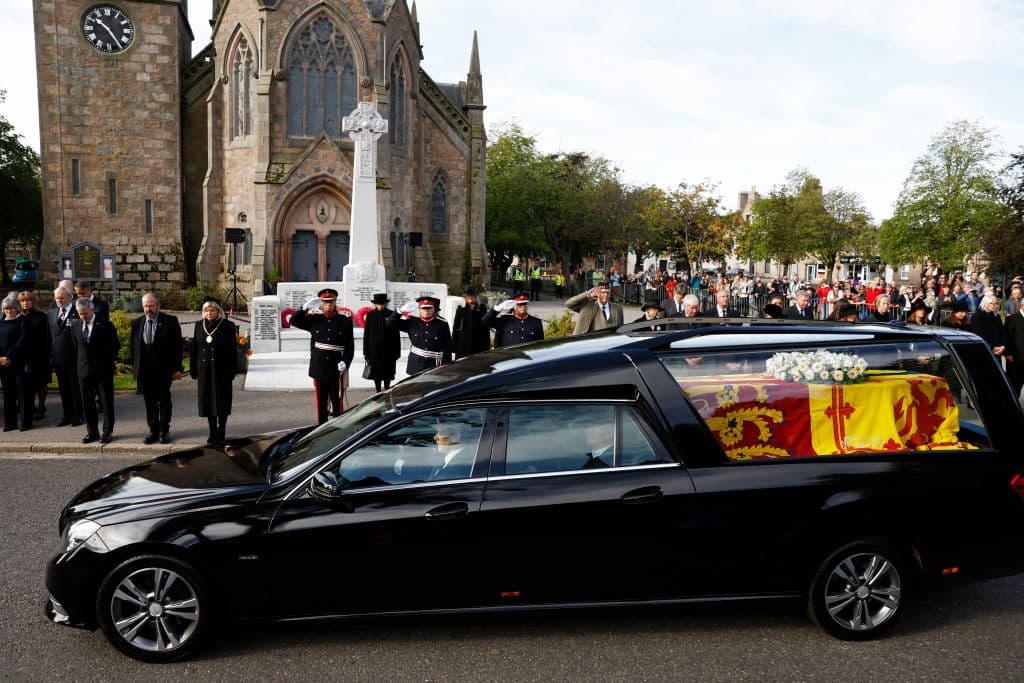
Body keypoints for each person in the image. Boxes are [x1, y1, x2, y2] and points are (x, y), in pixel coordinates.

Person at [290, 288, 355, 424]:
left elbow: (350, 345)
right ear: (321, 303)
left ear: (335, 302)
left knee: (337, 401)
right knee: (321, 401)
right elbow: (293, 321)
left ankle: (338, 426)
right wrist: (304, 308)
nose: (328, 305)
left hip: (336, 366)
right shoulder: (315, 319)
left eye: (331, 301)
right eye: (325, 302)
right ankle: (321, 427)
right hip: (319, 366)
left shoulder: (344, 320)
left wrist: (346, 361)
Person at [130, 293, 183, 444]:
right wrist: (135, 369)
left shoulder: (170, 321)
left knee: (164, 400)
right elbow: (134, 348)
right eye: (145, 306)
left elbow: (178, 347)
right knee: (149, 401)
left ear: (158, 305)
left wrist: (177, 368)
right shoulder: (137, 322)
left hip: (163, 370)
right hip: (145, 371)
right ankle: (153, 430)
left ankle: (164, 431)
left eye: (151, 306)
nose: (148, 309)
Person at [189, 298, 237, 442]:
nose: (209, 313)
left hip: (222, 370)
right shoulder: (199, 325)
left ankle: (221, 429)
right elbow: (194, 349)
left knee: (222, 400)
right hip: (205, 370)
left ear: (218, 311)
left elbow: (232, 351)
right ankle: (212, 430)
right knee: (207, 400)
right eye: (206, 311)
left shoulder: (228, 326)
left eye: (212, 310)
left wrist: (232, 371)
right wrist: (193, 369)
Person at [71, 298, 119, 443]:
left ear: (93, 310)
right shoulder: (75, 325)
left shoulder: (106, 325)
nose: (83, 317)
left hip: (102, 370)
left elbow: (114, 347)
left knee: (106, 402)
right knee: (88, 403)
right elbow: (76, 346)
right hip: (84, 370)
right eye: (80, 314)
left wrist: (103, 360)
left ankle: (107, 431)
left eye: (85, 313)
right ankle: (92, 432)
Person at [48, 286, 84, 426]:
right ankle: (66, 415)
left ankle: (78, 415)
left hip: (73, 358)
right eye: (57, 298)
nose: (59, 300)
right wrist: (49, 354)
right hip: (58, 358)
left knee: (75, 388)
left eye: (62, 298)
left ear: (70, 297)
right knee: (63, 389)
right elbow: (49, 336)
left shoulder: (77, 312)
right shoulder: (51, 313)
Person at [391, 296, 453, 376]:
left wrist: (446, 365)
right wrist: (400, 311)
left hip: (434, 364)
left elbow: (447, 346)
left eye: (429, 308)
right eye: (423, 308)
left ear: (434, 309)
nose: (426, 310)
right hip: (416, 364)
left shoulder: (442, 324)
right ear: (419, 309)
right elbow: (391, 323)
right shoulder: (412, 322)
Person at [18, 291, 51, 423]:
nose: (25, 303)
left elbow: (46, 337)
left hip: (39, 354)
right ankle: (30, 408)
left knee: (41, 382)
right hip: (23, 356)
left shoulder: (41, 316)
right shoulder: (18, 316)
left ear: (33, 301)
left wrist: (48, 354)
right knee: (27, 384)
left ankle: (41, 406)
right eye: (22, 301)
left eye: (27, 300)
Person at [0, 295, 29, 432]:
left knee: (22, 393)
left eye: (12, 308)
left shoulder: (23, 321)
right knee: (8, 393)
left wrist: (9, 356)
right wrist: (1, 358)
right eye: (7, 308)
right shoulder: (1, 321)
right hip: (3, 363)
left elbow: (22, 342)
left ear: (17, 309)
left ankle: (25, 422)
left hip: (18, 361)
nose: (10, 311)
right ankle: (10, 423)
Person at [362, 293, 400, 392]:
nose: (380, 306)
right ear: (375, 304)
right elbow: (366, 335)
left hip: (389, 350)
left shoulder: (391, 314)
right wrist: (366, 352)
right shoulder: (370, 316)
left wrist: (397, 351)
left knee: (388, 373)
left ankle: (387, 390)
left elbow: (396, 335)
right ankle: (378, 391)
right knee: (376, 374)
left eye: (382, 304)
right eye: (378, 304)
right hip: (374, 351)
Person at [451, 285, 491, 359]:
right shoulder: (461, 308)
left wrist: (487, 346)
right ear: (465, 296)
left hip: (478, 344)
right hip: (463, 344)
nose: (470, 297)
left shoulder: (482, 308)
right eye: (468, 295)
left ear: (476, 296)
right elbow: (456, 327)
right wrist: (454, 346)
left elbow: (486, 327)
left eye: (472, 295)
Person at [971, 294, 1006, 359]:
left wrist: (1002, 346)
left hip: (998, 351)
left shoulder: (996, 316)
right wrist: (992, 347)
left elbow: (1002, 333)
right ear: (986, 303)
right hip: (984, 351)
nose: (996, 306)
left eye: (997, 304)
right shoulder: (977, 316)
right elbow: (978, 335)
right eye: (993, 304)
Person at [1005, 304, 1024, 394]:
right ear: (1023, 305)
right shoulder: (1011, 319)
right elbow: (1007, 337)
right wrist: (1008, 353)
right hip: (1015, 358)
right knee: (1015, 385)